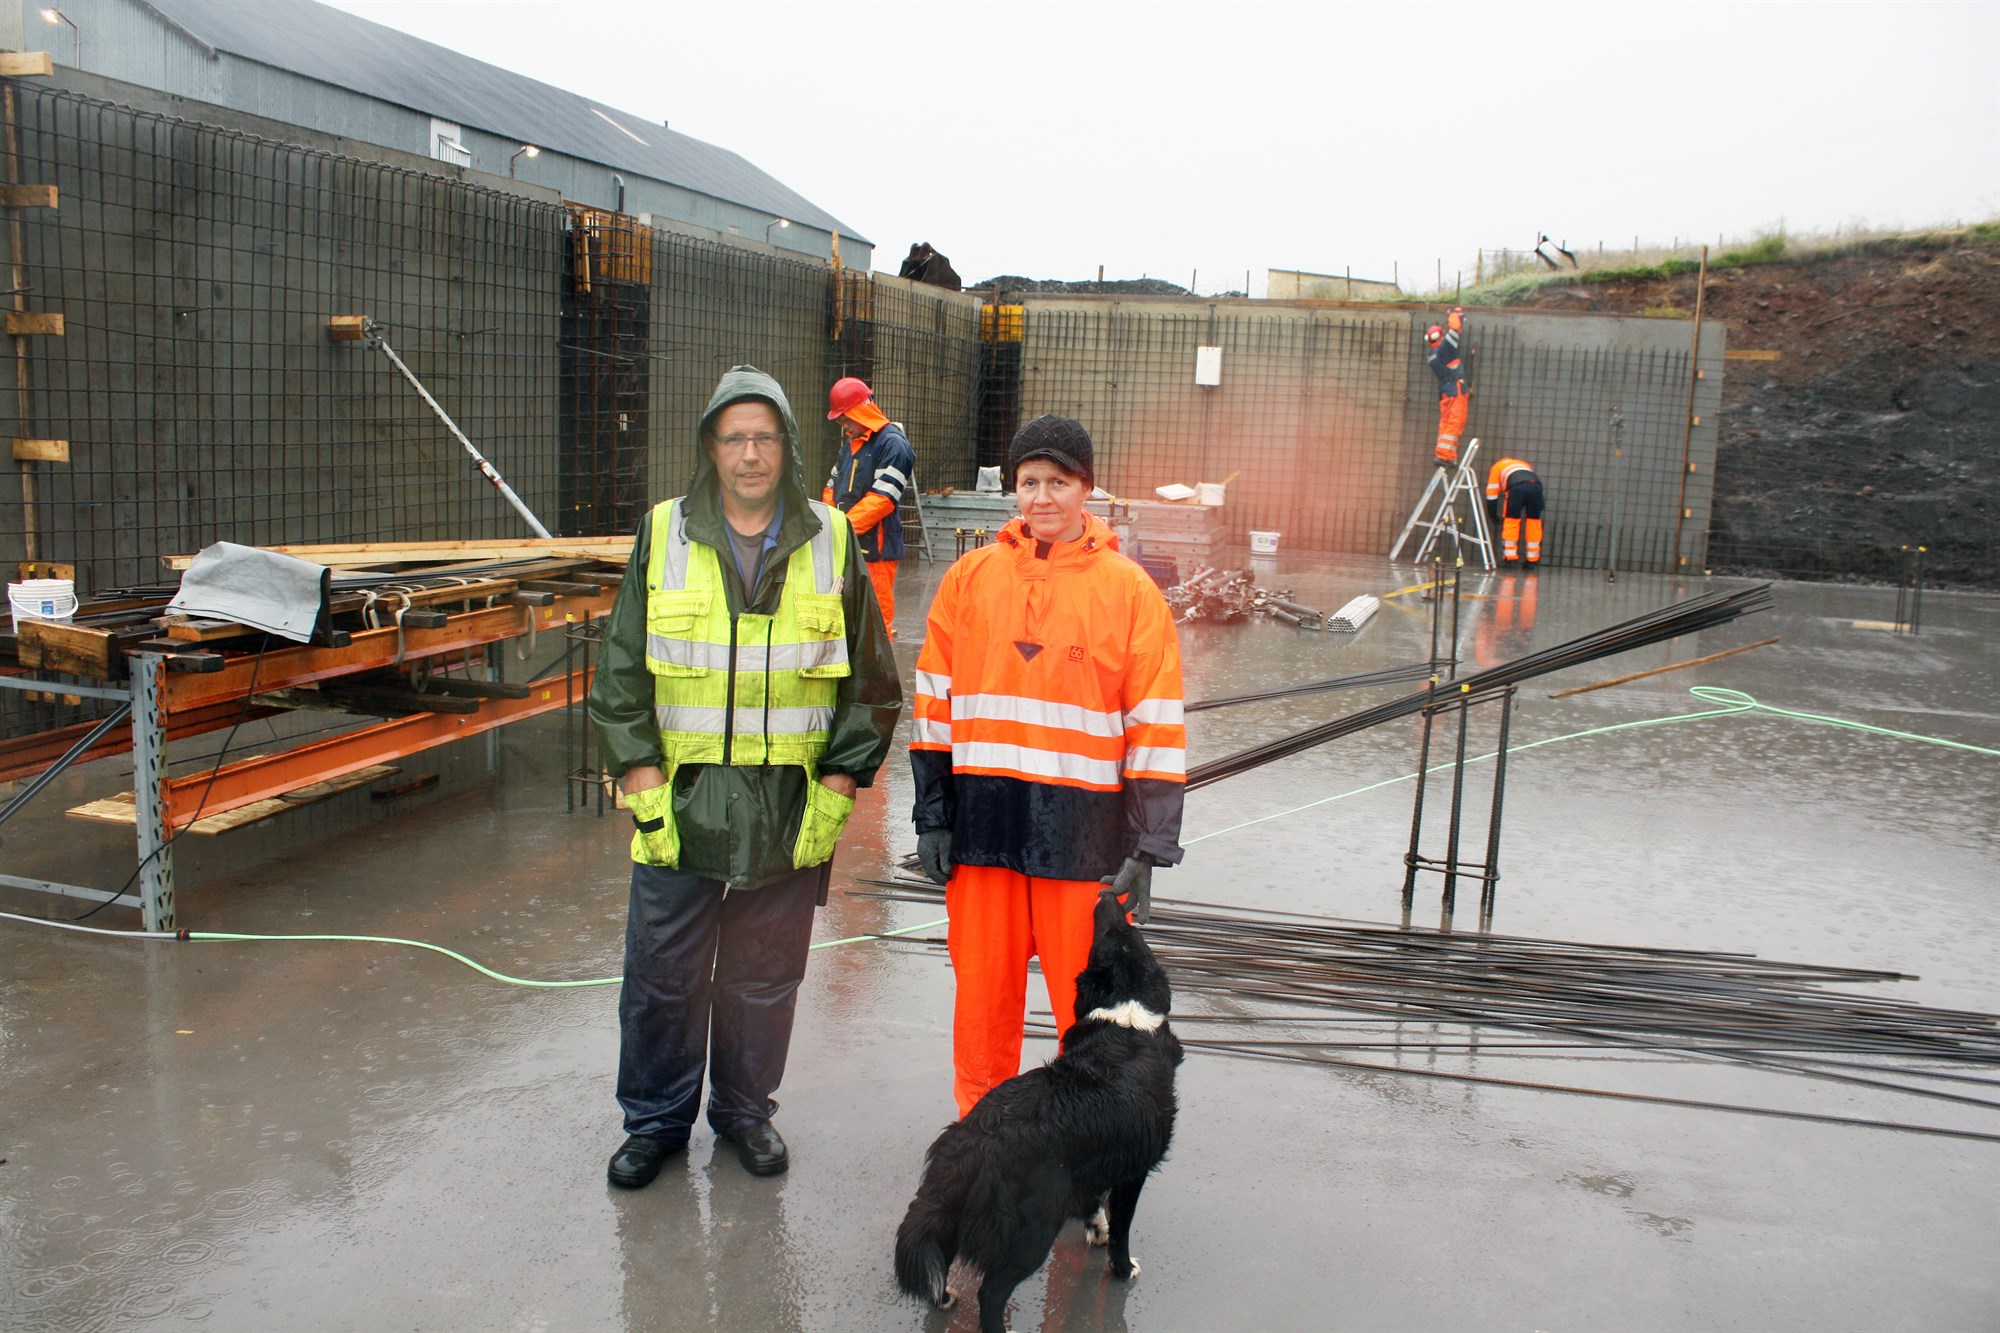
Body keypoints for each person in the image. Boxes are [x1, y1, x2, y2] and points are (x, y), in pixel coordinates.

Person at [589, 365, 902, 1189]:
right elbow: (621, 674)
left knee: (764, 981)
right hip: (681, 809)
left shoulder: (832, 540)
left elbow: (870, 685)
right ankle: (654, 1122)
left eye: (765, 436)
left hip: (785, 810)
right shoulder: (664, 535)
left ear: (789, 446)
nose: (751, 453)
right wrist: (642, 785)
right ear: (710, 447)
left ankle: (744, 1112)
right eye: (735, 437)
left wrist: (836, 793)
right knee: (660, 978)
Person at [909, 414, 1187, 1118]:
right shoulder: (969, 579)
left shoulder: (1129, 592)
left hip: (1085, 845)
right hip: (984, 835)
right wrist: (933, 817)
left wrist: (1149, 846)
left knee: (1087, 1009)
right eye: (1028, 482)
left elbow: (1155, 720)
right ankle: (984, 1132)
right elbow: (933, 704)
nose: (1041, 498)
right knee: (983, 1006)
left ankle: (1079, 1144)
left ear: (1085, 488)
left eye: (1057, 482)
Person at [823, 376, 917, 638]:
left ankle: (877, 676)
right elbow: (832, 486)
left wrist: (840, 528)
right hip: (849, 542)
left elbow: (882, 499)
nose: (844, 427)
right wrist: (830, 522)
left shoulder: (893, 444)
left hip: (875, 550)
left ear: (860, 410)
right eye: (840, 421)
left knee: (875, 618)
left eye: (845, 419)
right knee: (849, 615)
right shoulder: (851, 445)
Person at [1424, 306, 1470, 466]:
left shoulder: (1432, 354)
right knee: (1455, 422)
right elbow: (1455, 329)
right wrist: (1454, 314)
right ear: (1440, 336)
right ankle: (1445, 456)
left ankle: (1443, 454)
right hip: (1455, 390)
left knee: (1446, 423)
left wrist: (1459, 319)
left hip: (1445, 392)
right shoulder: (1445, 349)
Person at [1484, 455, 1546, 565]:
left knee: (1511, 521)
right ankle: (1532, 560)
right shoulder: (1524, 464)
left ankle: (1510, 558)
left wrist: (1493, 516)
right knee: (1534, 522)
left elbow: (1491, 495)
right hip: (1536, 486)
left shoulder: (1496, 468)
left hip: (1517, 488)